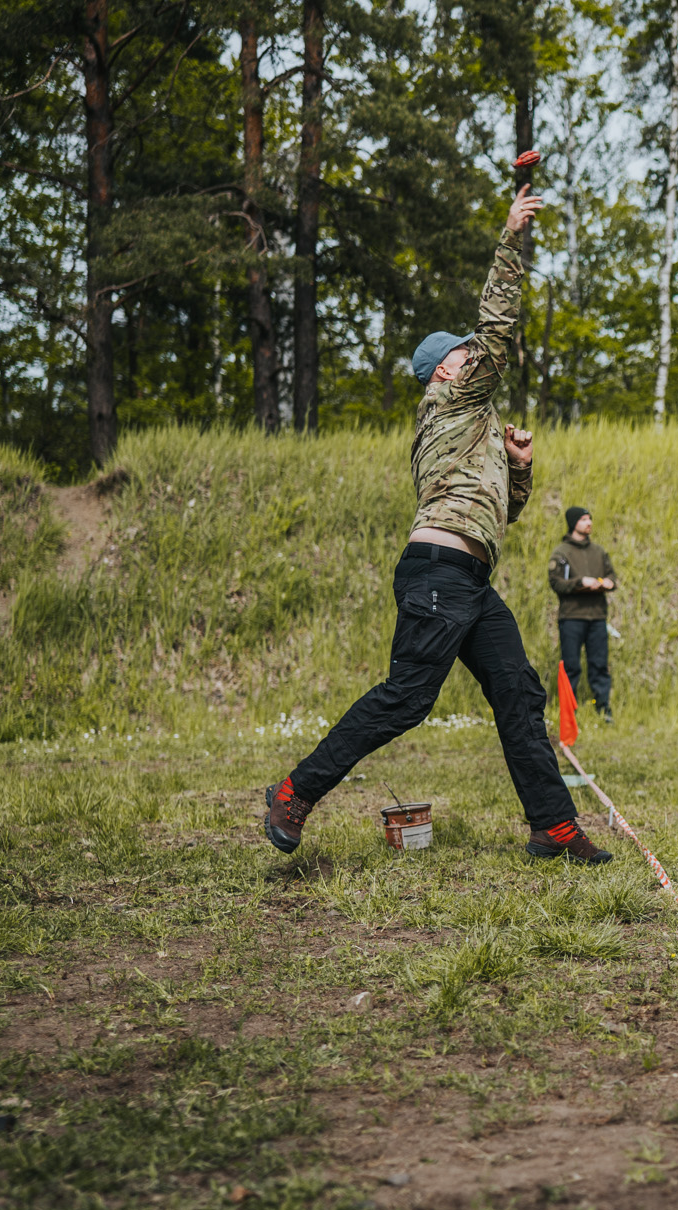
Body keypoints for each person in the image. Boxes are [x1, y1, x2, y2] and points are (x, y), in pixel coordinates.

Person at [262, 186, 611, 865]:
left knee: (518, 688)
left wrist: (518, 466)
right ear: (446, 369)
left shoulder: (464, 426)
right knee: (407, 696)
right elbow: (499, 327)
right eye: (466, 353)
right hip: (437, 573)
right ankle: (293, 791)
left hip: (469, 578)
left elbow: (501, 514)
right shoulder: (449, 394)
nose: (476, 358)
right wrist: (511, 236)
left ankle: (554, 825)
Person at [550, 506, 616, 720]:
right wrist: (581, 583)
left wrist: (608, 583)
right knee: (571, 666)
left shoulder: (599, 551)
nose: (589, 523)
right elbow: (556, 583)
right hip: (572, 617)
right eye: (584, 519)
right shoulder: (562, 553)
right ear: (573, 523)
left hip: (597, 617)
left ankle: (603, 710)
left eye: (590, 519)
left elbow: (612, 577)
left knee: (599, 665)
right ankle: (569, 712)